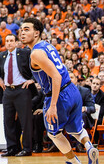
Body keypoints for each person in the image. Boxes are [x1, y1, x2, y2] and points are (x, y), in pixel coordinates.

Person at [20, 17, 99, 164]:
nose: (22, 33)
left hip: (59, 95)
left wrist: (53, 105)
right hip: (72, 90)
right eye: (21, 30)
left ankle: (74, 162)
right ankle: (89, 147)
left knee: (54, 134)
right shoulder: (47, 45)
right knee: (74, 129)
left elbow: (55, 76)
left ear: (36, 33)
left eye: (26, 29)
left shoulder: (35, 53)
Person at [0, 33, 37, 157]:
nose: (9, 43)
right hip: (7, 91)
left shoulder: (25, 53)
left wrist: (32, 79)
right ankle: (12, 147)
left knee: (25, 121)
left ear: (16, 42)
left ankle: (27, 148)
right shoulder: (1, 55)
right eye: (7, 41)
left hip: (22, 90)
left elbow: (36, 66)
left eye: (11, 40)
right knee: (8, 121)